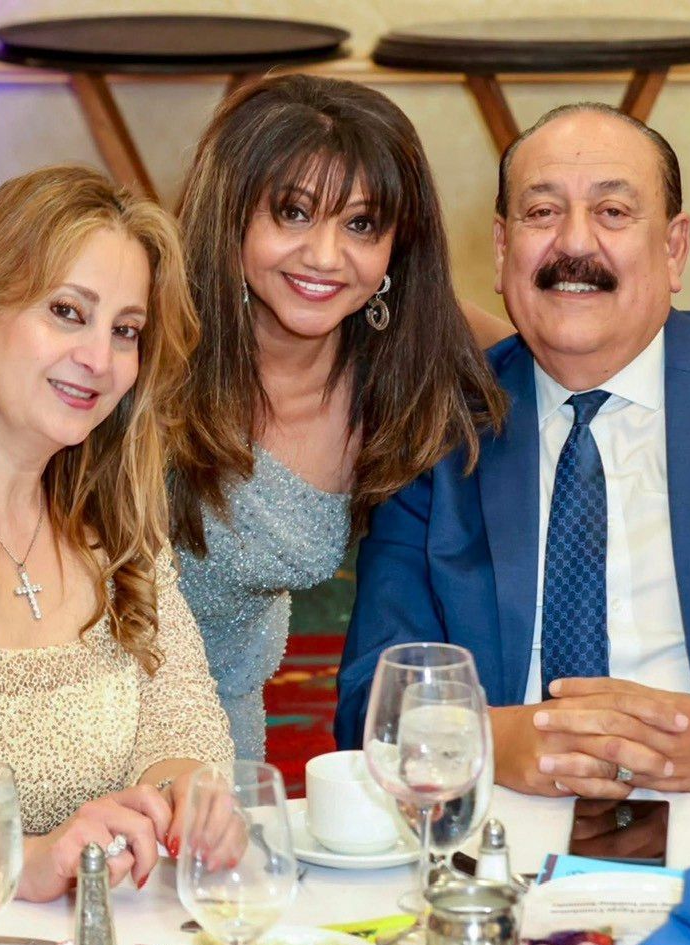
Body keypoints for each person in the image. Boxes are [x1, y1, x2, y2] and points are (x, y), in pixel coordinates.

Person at [336, 102, 690, 798]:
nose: (572, 245)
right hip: (501, 813)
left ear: (672, 250)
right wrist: (484, 739)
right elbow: (371, 701)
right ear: (500, 248)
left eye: (611, 212)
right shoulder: (435, 428)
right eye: (541, 214)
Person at [170, 74, 509, 760]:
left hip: (224, 724)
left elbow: (559, 365)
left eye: (360, 224)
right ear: (229, 216)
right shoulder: (151, 343)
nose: (325, 258)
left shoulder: (408, 346)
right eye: (292, 213)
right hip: (85, 711)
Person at [0, 166, 238, 903]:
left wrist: (185, 797)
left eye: (125, 332)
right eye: (67, 312)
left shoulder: (116, 529)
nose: (99, 360)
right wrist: (24, 862)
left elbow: (181, 721)